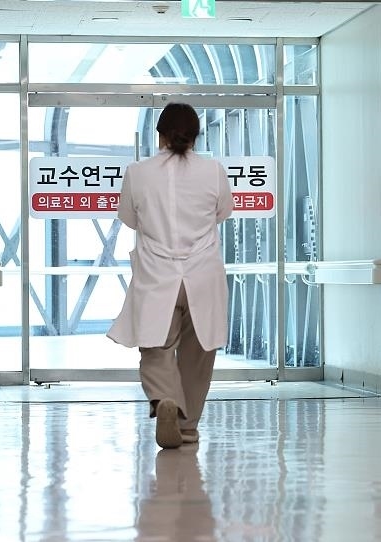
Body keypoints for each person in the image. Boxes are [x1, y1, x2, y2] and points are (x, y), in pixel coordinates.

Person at [108, 102, 234, 449]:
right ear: (196, 136)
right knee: (199, 353)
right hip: (203, 275)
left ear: (160, 134)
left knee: (156, 348)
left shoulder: (138, 172)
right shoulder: (213, 171)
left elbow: (129, 219)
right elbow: (222, 212)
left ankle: (165, 399)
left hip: (158, 275)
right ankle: (187, 427)